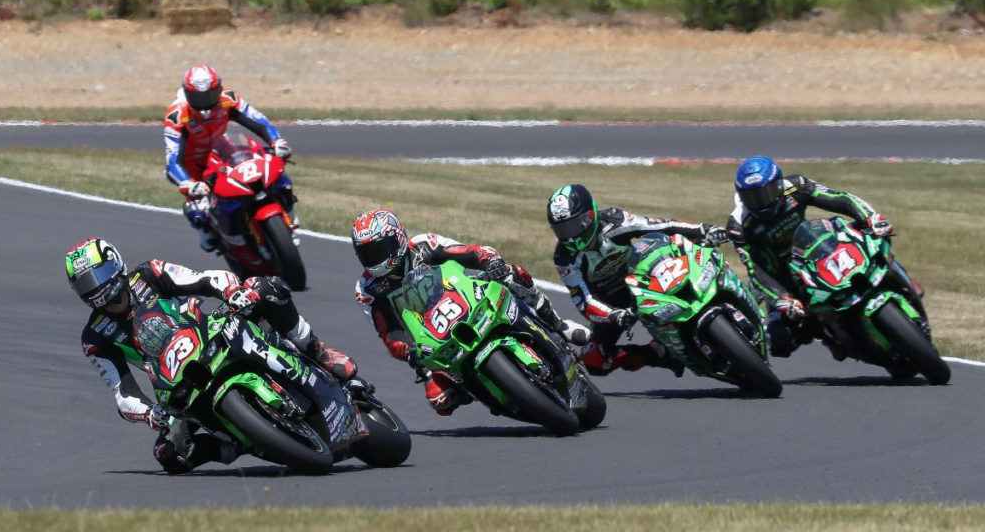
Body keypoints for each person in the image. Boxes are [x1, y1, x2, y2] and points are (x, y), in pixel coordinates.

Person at [64, 237, 355, 474]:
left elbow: (205, 278)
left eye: (98, 276)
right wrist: (152, 415)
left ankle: (316, 350)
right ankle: (238, 444)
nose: (97, 288)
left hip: (211, 330)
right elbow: (122, 391)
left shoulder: (149, 273)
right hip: (176, 382)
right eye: (85, 284)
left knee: (263, 288)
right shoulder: (94, 337)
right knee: (168, 455)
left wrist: (232, 292)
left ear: (115, 263)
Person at [350, 208, 590, 416]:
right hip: (428, 339)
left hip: (461, 296)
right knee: (439, 400)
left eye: (380, 249)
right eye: (367, 253)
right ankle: (486, 392)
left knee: (512, 273)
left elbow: (465, 252)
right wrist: (410, 352)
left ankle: (558, 325)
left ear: (398, 238)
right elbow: (389, 333)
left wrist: (489, 260)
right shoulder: (367, 289)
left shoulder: (423, 244)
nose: (375, 258)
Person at [726, 155, 924, 359]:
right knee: (780, 341)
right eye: (752, 197)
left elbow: (841, 199)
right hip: (780, 275)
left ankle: (897, 274)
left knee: (871, 238)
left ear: (778, 184)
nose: (761, 203)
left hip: (816, 245)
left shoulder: (796, 186)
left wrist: (870, 217)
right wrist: (782, 299)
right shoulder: (738, 226)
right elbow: (756, 271)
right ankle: (830, 336)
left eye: (766, 194)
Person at [546, 183, 730, 376]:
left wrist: (703, 229)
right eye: (562, 230)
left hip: (643, 277)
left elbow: (661, 224)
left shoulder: (613, 220)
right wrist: (613, 315)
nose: (570, 237)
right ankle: (657, 352)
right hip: (611, 302)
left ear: (589, 215)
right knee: (593, 360)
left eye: (573, 226)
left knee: (679, 252)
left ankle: (718, 294)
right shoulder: (564, 258)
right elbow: (583, 301)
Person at [163, 64, 294, 252]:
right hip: (195, 169)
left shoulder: (227, 99)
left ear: (218, 89)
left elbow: (258, 120)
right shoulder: (176, 117)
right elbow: (173, 160)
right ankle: (209, 231)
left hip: (222, 152)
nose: (205, 103)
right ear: (188, 94)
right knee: (200, 215)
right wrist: (188, 183)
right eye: (198, 98)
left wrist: (276, 141)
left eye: (209, 95)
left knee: (273, 171)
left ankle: (289, 215)